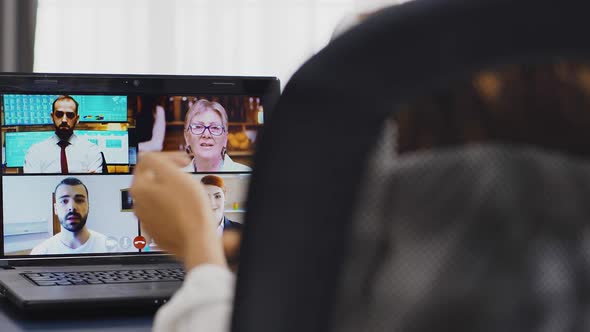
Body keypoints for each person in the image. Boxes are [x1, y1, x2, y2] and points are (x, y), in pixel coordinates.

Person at [23, 95, 103, 173]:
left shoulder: (92, 150)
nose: (64, 120)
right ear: (52, 117)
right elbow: (32, 185)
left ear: (77, 119)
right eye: (59, 114)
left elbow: (94, 185)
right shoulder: (35, 152)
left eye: (70, 115)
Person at [31, 177, 108, 255]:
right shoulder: (40, 252)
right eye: (64, 201)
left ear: (88, 206)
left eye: (79, 200)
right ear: (55, 209)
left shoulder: (108, 248)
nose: (72, 207)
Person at [182, 99, 251, 172]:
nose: (206, 134)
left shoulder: (247, 176)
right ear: (187, 137)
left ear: (225, 139)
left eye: (215, 127)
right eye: (198, 127)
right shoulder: (174, 181)